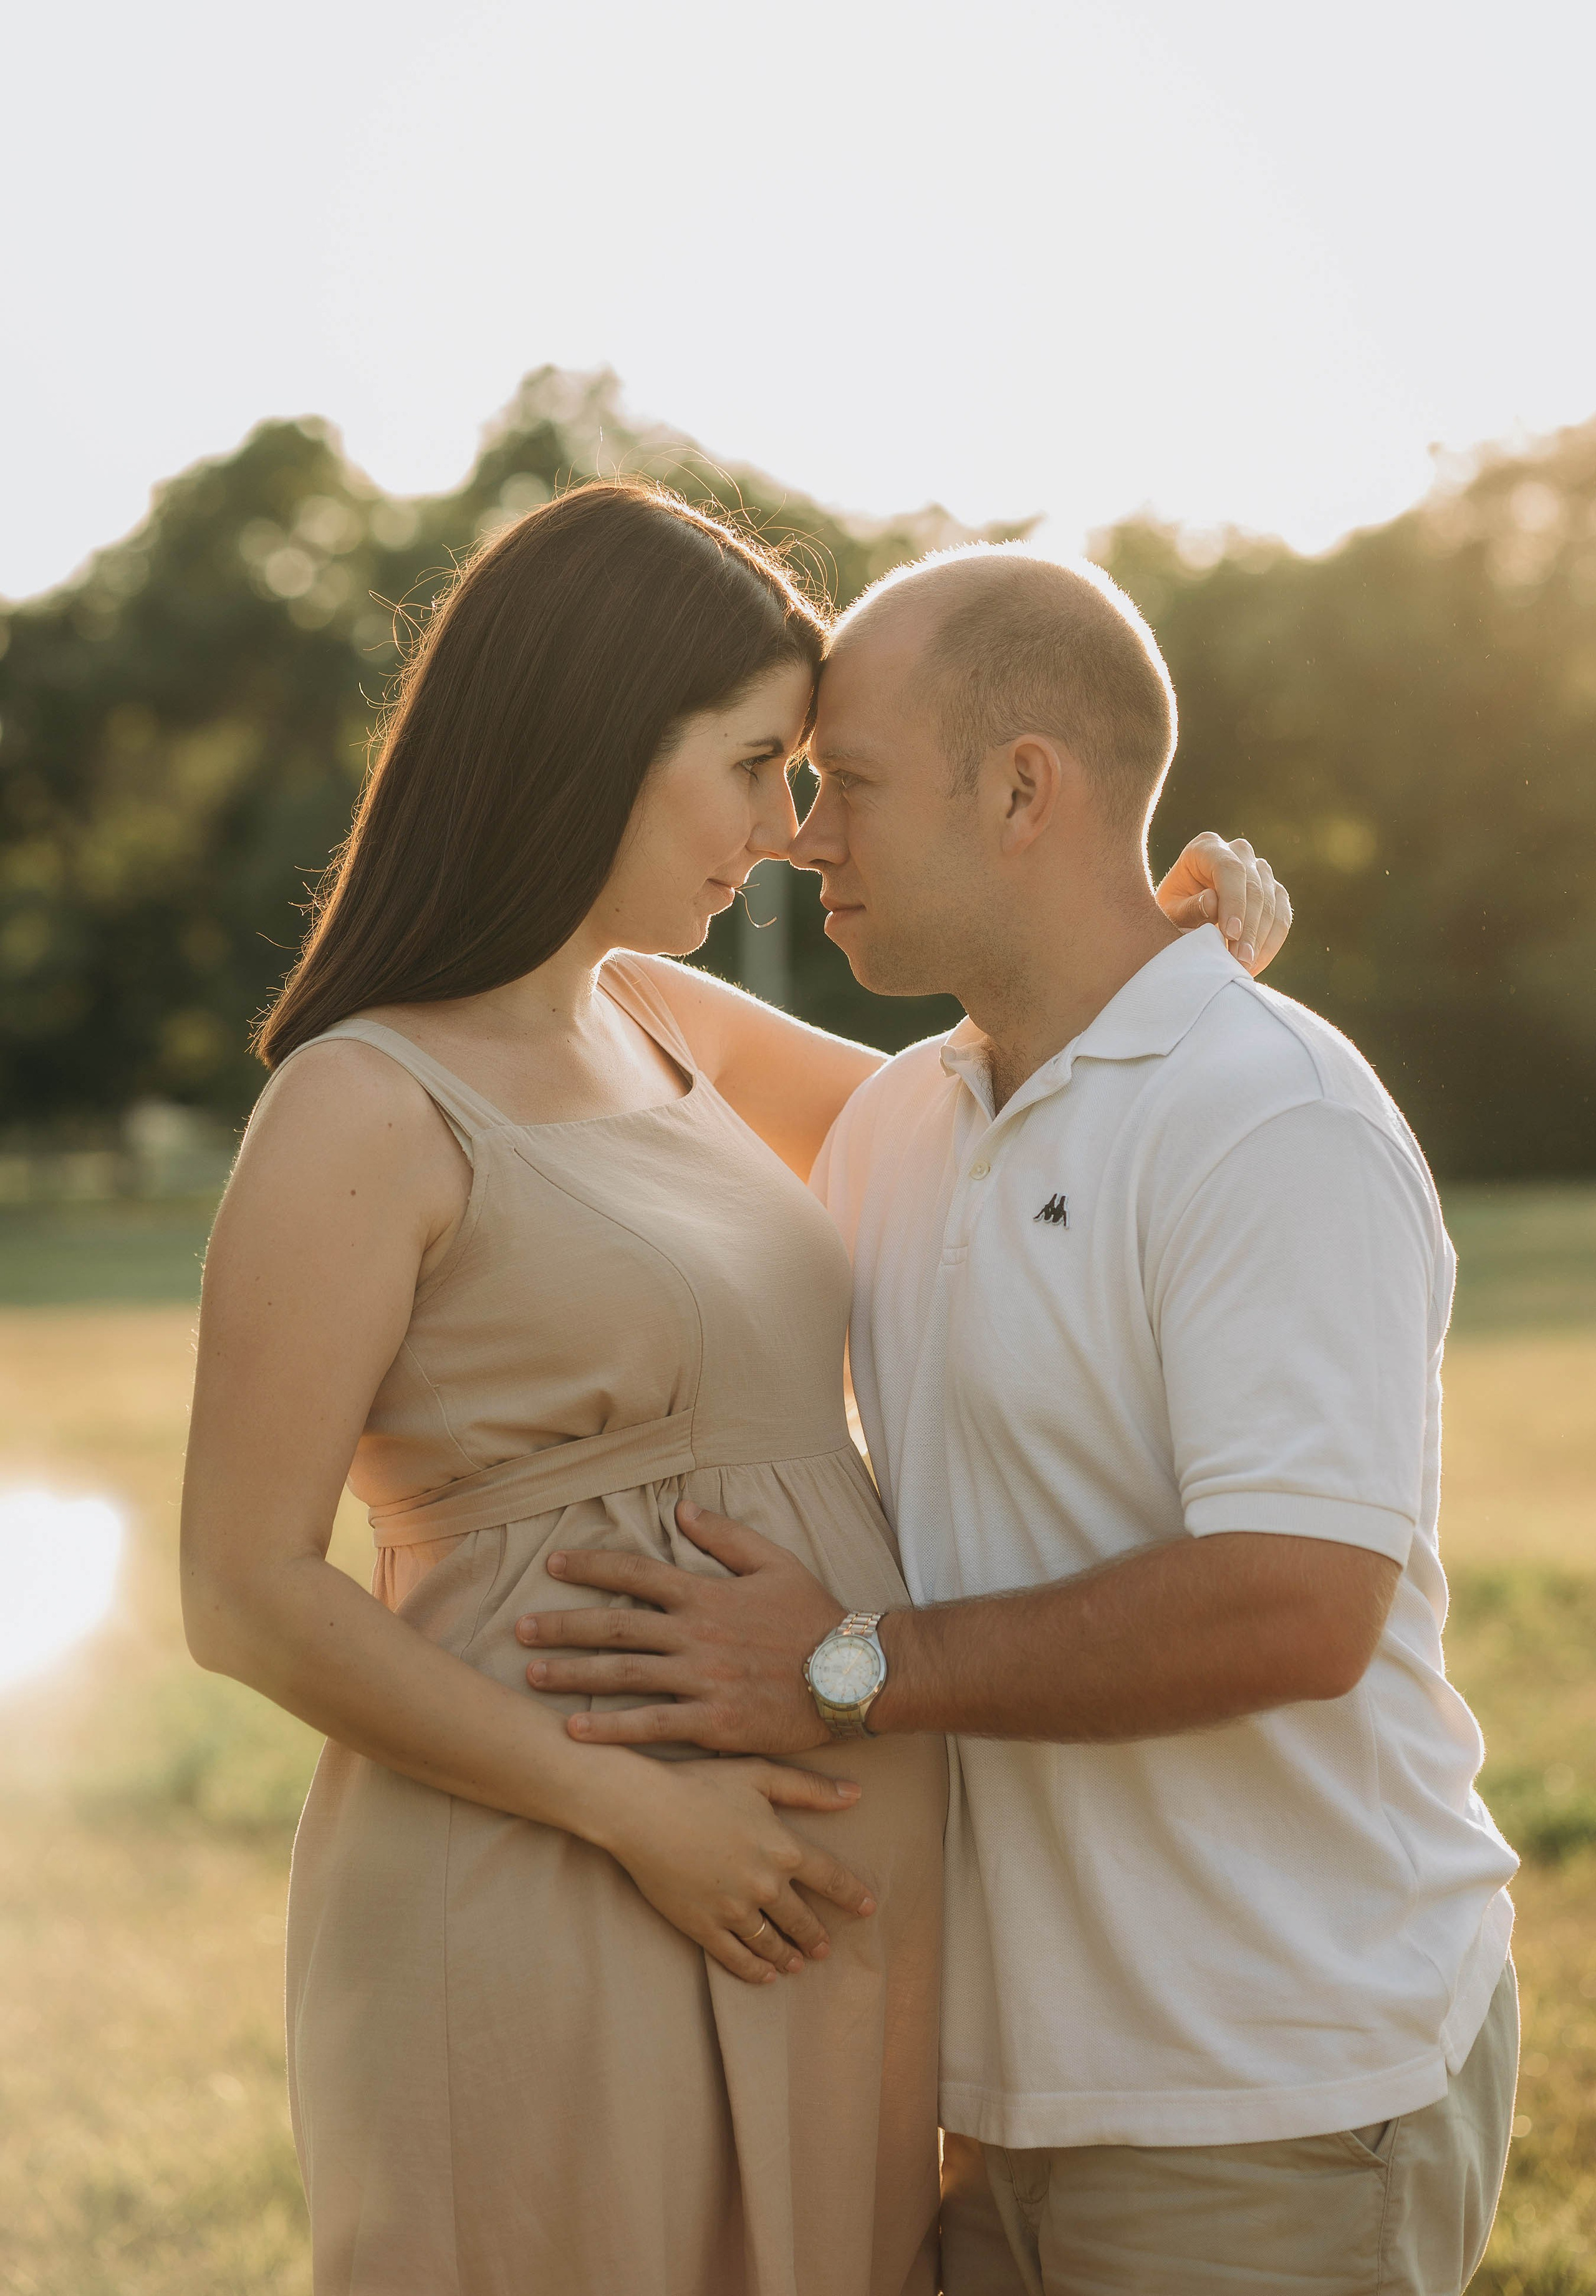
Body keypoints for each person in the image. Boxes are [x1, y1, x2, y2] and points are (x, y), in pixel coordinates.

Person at [179, 480, 1280, 2296]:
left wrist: (1152, 942)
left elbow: (990, 1105)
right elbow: (243, 1588)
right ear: (594, 747)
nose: (784, 831)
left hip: (806, 1902)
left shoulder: (663, 1023)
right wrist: (633, 1810)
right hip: (556, 1877)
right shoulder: (365, 1105)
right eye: (754, 764)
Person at [517, 544, 1521, 2296]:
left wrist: (842, 1665)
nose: (800, 838)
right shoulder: (914, 1114)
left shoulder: (1268, 1115)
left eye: (851, 785)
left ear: (1025, 789)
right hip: (999, 2098)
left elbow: (1301, 1601)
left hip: (1270, 2092)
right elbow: (615, 1004)